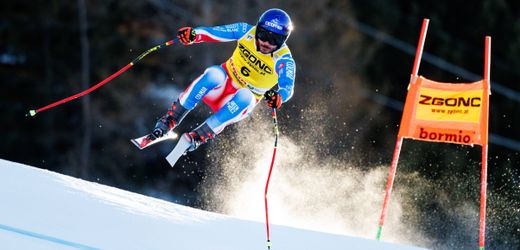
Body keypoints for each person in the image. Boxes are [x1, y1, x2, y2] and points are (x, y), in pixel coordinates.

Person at [152, 8, 296, 152]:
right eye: (263, 35)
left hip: (235, 104)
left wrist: (279, 97)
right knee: (214, 74)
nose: (267, 42)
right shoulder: (246, 31)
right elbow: (214, 32)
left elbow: (287, 87)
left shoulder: (284, 59)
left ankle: (197, 137)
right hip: (219, 87)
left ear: (283, 40)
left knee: (246, 96)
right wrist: (194, 35)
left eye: (275, 40)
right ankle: (170, 120)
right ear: (257, 29)